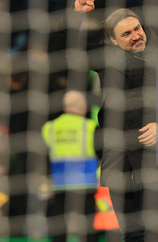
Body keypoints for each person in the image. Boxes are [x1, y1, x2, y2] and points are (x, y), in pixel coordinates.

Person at [56, 0, 158, 242]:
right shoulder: (106, 58)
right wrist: (75, 14)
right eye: (126, 34)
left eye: (137, 29)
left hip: (156, 156)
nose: (135, 36)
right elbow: (69, 51)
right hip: (117, 158)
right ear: (112, 40)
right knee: (130, 232)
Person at [41, 90, 99, 242]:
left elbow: (44, 155)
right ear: (83, 106)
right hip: (85, 182)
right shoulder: (90, 126)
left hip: (60, 182)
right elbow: (101, 154)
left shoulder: (49, 127)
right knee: (87, 227)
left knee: (60, 227)